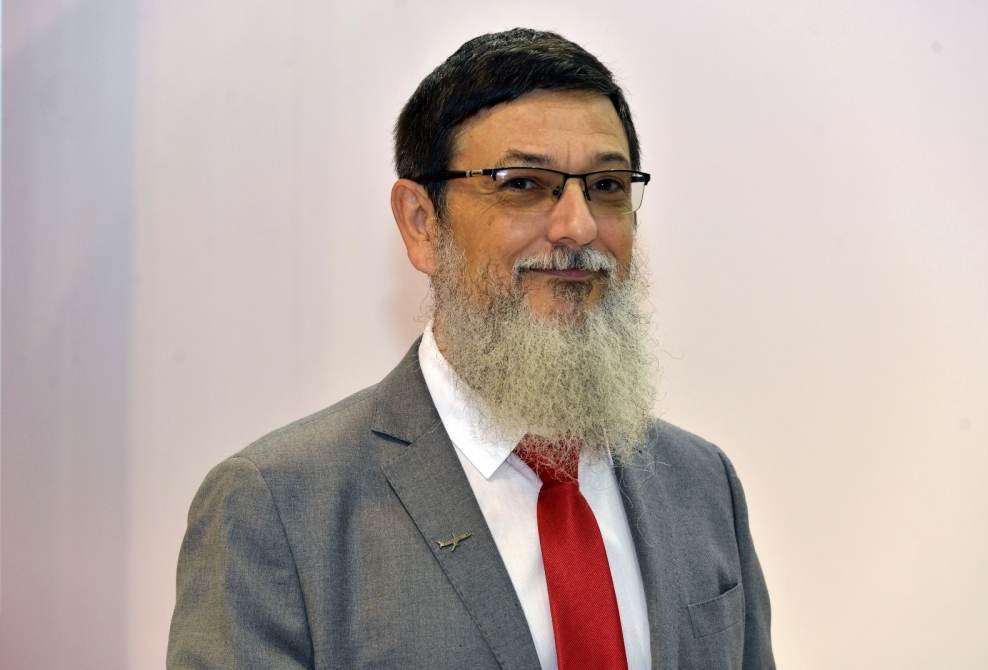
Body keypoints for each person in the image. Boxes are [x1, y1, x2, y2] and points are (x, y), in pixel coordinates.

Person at [167, 28, 775, 669]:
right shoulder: (280, 509)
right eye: (523, 184)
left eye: (606, 186)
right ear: (422, 224)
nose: (578, 226)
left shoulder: (701, 484)